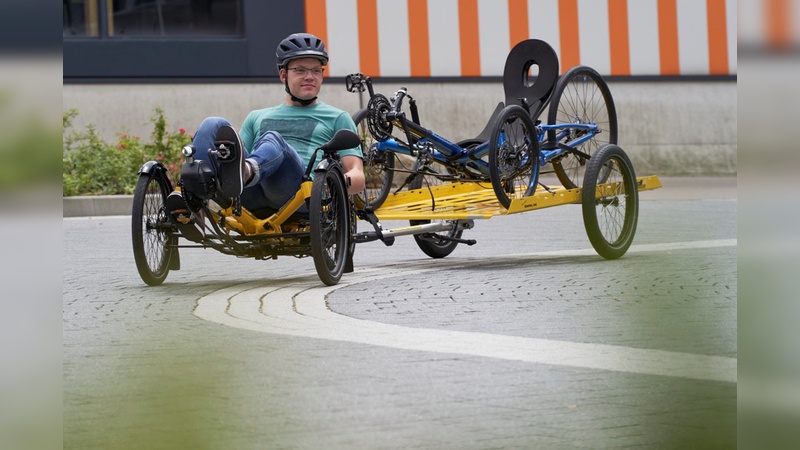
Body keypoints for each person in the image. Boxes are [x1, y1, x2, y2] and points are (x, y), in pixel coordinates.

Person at [168, 32, 364, 238]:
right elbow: (235, 156)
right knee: (212, 123)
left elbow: (357, 175)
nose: (310, 76)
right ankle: (191, 200)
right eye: (300, 70)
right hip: (249, 194)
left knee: (273, 138)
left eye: (316, 70)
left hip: (299, 195)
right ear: (283, 75)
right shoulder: (257, 117)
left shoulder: (337, 117)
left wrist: (330, 185)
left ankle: (247, 171)